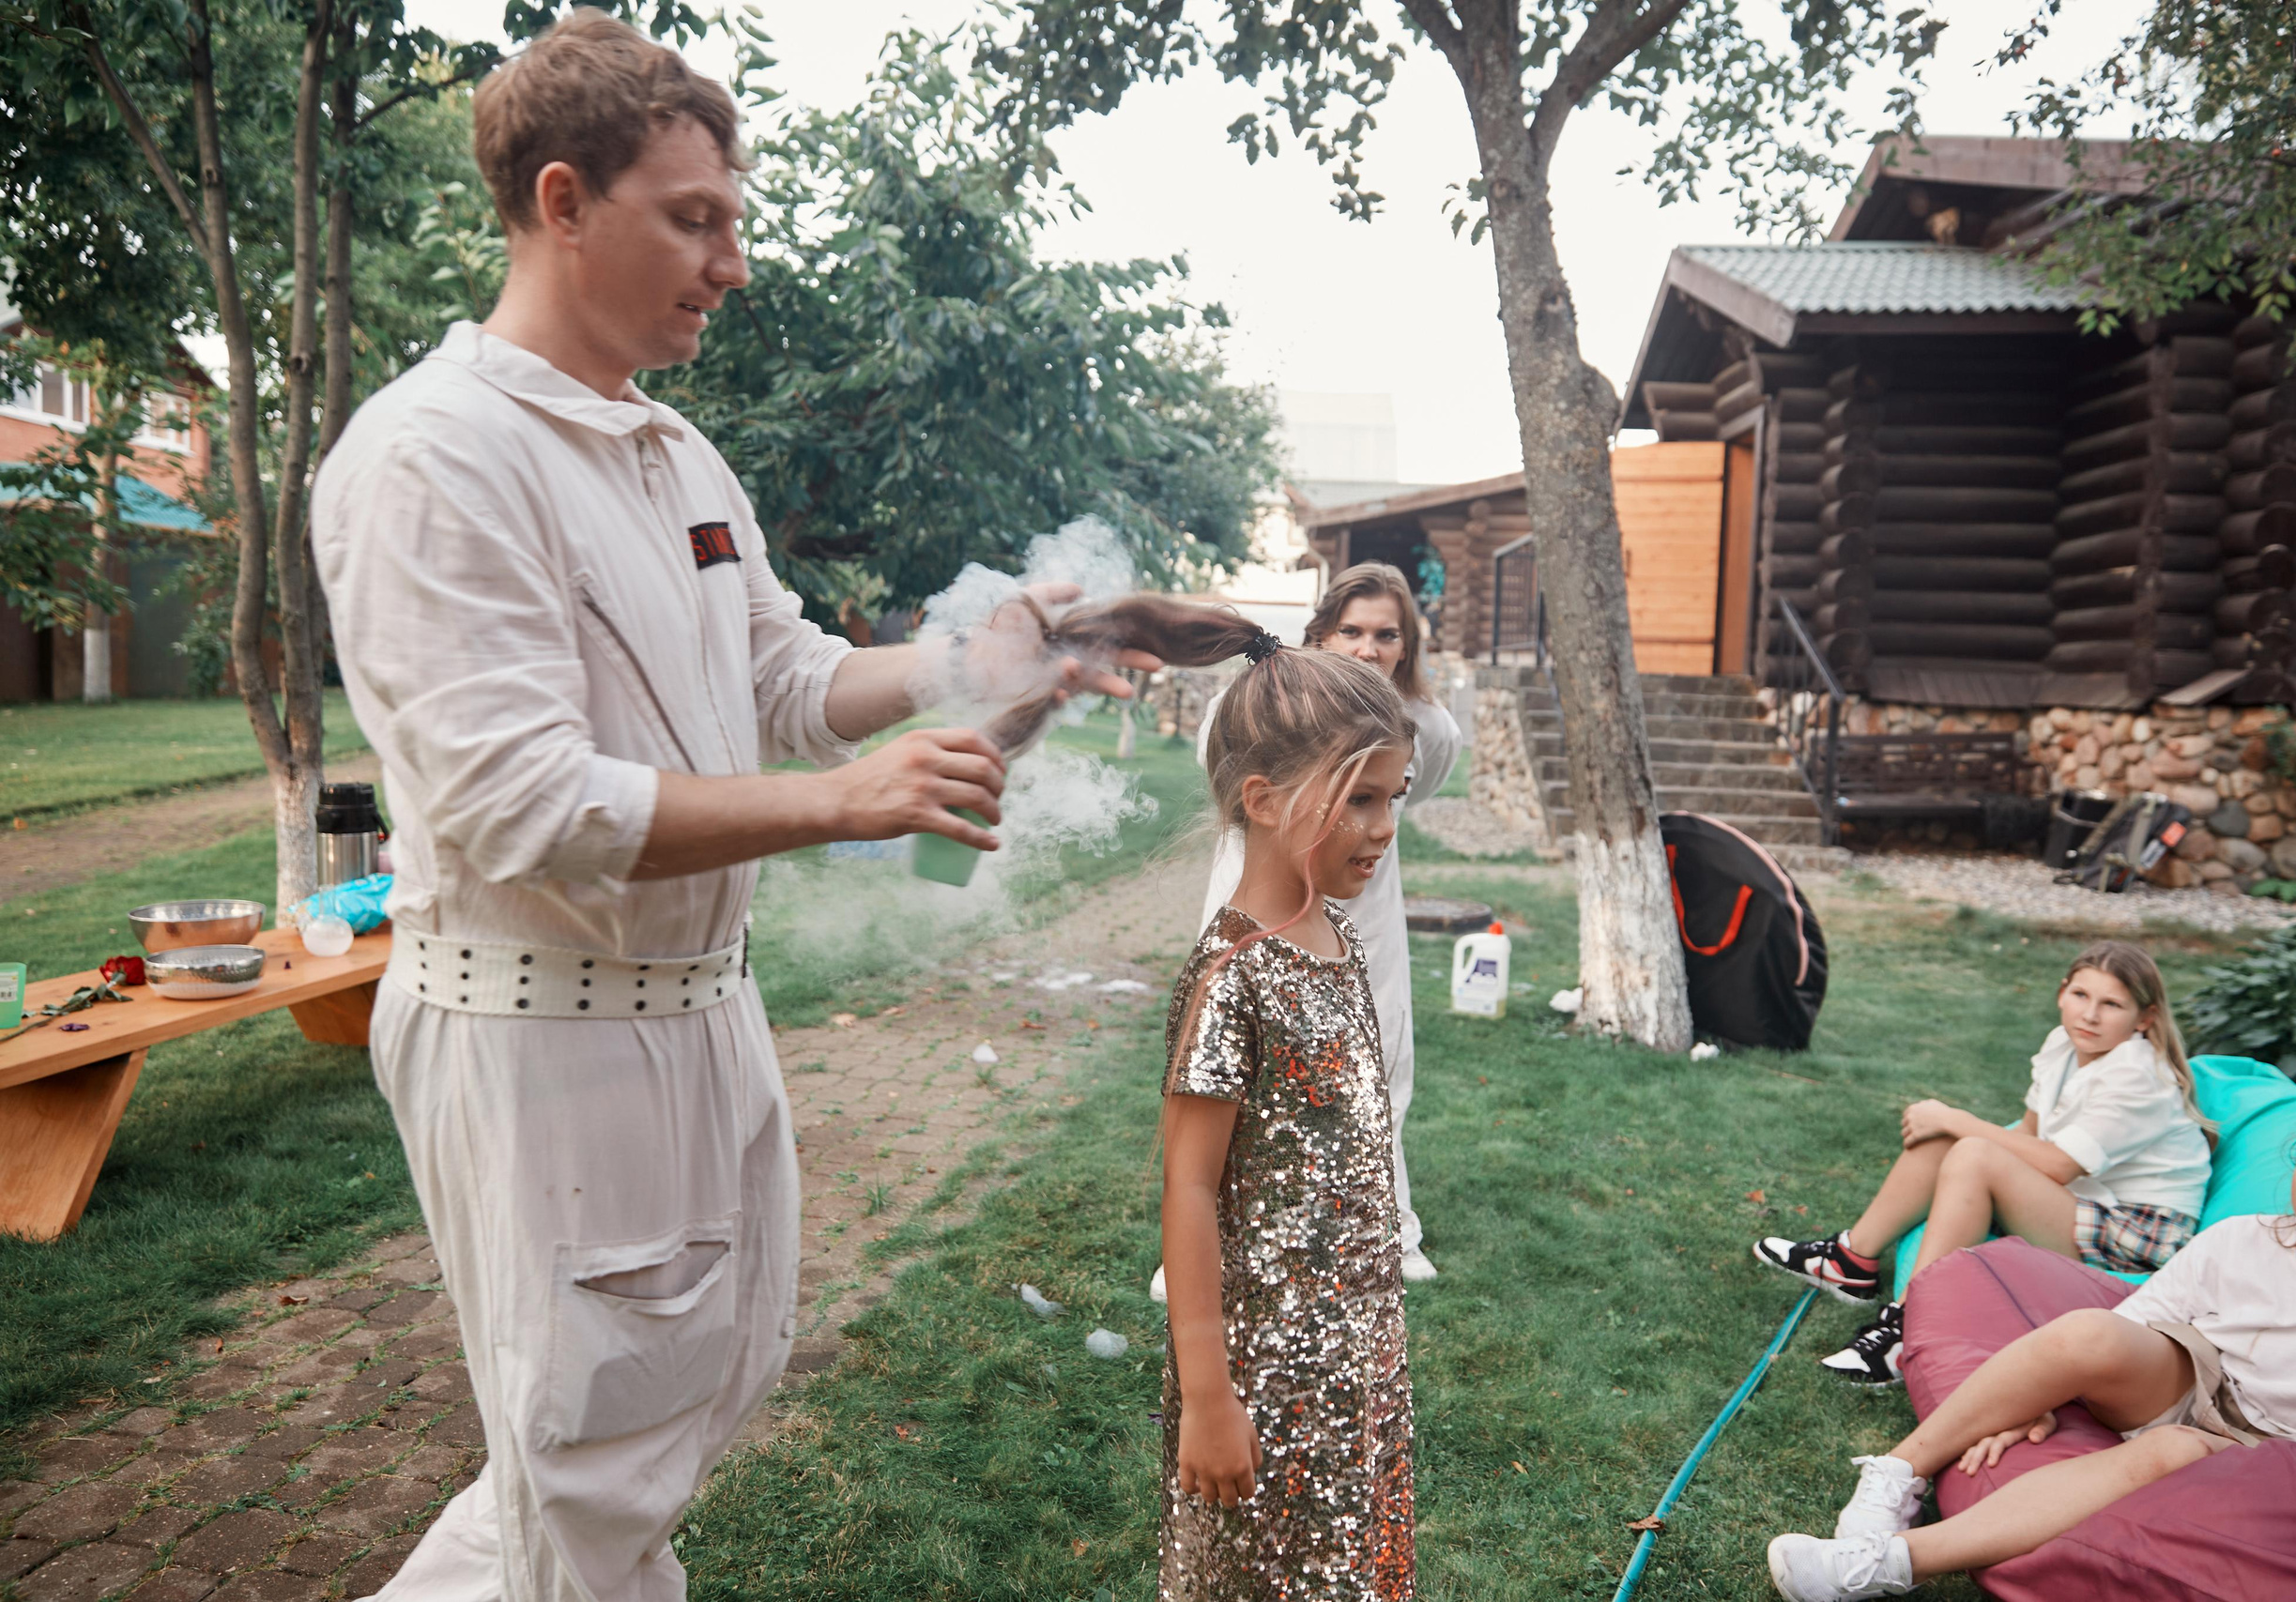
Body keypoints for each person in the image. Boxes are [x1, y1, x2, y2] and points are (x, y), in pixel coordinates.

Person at [310, 17, 1150, 1600]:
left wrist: (979, 656)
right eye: (695, 218)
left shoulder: (676, 452)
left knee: (667, 1417)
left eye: (735, 219)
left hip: (702, 1012)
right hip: (543, 1033)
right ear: (563, 203)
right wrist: (839, 805)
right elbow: (519, 804)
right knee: (585, 1465)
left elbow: (783, 670)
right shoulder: (432, 457)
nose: (733, 263)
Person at [1763, 1083, 2296, 1601]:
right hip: (2197, 1379)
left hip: (2275, 1454)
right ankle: (1895, 1473)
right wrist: (2045, 1395)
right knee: (2090, 1332)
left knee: (2171, 1450)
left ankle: (1888, 1563)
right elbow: (2139, 1318)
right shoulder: (2247, 1238)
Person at [1158, 632, 1418, 1601]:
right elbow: (1187, 1187)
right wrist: (1207, 1396)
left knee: (1353, 1566)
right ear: (1264, 801)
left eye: (1392, 796)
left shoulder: (1340, 937)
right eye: (1359, 796)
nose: (1384, 824)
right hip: (1262, 1372)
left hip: (1356, 1352)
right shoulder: (1233, 980)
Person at [1153, 562, 1459, 1296]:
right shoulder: (1255, 708)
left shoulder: (1424, 727)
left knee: (1374, 1062)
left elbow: (1423, 773)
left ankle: (1385, 1219)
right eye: (1351, 630)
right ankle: (1201, 1242)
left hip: (1362, 916)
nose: (1368, 647)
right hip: (1264, 905)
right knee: (1238, 1076)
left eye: (1386, 634)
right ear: (1319, 633)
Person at [1753, 941, 2212, 1385]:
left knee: (1967, 1141)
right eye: (2080, 995)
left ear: (2144, 1019)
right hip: (2084, 1205)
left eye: (2112, 1004)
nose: (2090, 1015)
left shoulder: (2138, 1076)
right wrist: (1954, 1141)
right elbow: (2029, 1134)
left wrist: (1959, 1121)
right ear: (2062, 993)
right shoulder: (2064, 1044)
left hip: (2137, 1232)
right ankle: (1851, 1260)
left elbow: (2055, 1165)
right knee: (1951, 1142)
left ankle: (1910, 1327)